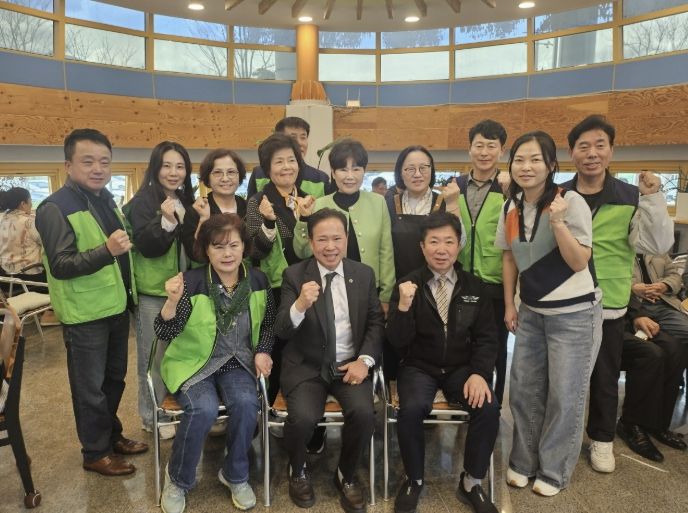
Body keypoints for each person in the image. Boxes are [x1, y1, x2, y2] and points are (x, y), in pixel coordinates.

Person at [561, 115, 674, 473]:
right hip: (564, 300)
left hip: (608, 302)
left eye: (600, 145)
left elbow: (656, 243)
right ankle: (559, 439)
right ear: (572, 153)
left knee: (605, 376)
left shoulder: (630, 196)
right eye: (583, 146)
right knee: (561, 377)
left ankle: (602, 439)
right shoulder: (559, 194)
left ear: (611, 151)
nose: (592, 153)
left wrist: (653, 197)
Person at [35, 128, 147, 476]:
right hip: (85, 315)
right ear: (68, 165)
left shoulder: (105, 200)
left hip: (115, 306)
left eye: (104, 162)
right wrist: (107, 251)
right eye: (88, 162)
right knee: (90, 389)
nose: (98, 169)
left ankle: (111, 436)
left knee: (114, 381)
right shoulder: (54, 208)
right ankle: (95, 452)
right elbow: (61, 264)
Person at [497, 131, 602, 496]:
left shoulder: (569, 201)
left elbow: (579, 261)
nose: (526, 167)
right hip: (531, 310)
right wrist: (509, 303)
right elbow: (509, 257)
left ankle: (554, 471)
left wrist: (558, 223)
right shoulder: (511, 207)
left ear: (551, 165)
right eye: (519, 160)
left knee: (565, 395)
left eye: (535, 159)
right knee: (523, 390)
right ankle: (523, 461)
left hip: (574, 315)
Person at [155, 214, 275, 513]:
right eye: (218, 246)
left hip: (238, 362)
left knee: (247, 404)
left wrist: (262, 350)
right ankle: (178, 479)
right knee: (203, 408)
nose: (227, 253)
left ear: (244, 246)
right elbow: (164, 332)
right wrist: (171, 301)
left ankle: (235, 474)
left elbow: (268, 323)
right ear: (205, 250)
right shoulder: (191, 282)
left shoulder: (258, 280)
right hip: (194, 363)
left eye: (234, 245)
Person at [386, 211, 499, 513]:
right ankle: (414, 479)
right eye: (434, 241)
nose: (441, 249)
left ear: (459, 245)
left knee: (488, 407)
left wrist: (479, 373)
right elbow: (396, 340)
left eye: (449, 241)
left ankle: (472, 482)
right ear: (422, 247)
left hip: (462, 368)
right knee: (411, 409)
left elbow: (487, 338)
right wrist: (403, 306)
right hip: (418, 366)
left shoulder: (475, 287)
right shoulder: (408, 284)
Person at [274, 208, 383, 513]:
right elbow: (281, 330)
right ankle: (298, 470)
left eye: (337, 238)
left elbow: (375, 323)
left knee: (364, 414)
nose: (330, 246)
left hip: (349, 364)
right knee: (302, 418)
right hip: (307, 366)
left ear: (346, 239)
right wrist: (299, 304)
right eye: (322, 239)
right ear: (311, 242)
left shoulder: (363, 274)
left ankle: (346, 474)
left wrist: (365, 360)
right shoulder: (294, 275)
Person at [123, 141, 198, 438]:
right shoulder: (142, 202)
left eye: (180, 166)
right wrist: (165, 221)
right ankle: (152, 415)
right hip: (154, 291)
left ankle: (173, 408)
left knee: (177, 352)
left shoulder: (186, 200)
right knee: (152, 355)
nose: (173, 172)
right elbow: (147, 246)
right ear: (155, 168)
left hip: (183, 288)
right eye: (167, 165)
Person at [245, 133, 313, 404]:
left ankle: (298, 407)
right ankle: (268, 409)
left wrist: (307, 219)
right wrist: (269, 222)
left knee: (304, 351)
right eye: (279, 162)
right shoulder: (258, 202)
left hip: (307, 287)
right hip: (274, 289)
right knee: (275, 351)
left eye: (291, 160)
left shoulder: (308, 199)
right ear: (267, 168)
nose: (287, 167)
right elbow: (255, 251)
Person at [448, 120, 511, 405]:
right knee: (459, 344)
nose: (484, 152)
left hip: (495, 282)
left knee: (495, 349)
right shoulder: (456, 186)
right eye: (479, 145)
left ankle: (491, 406)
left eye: (491, 146)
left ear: (502, 150)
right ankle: (463, 400)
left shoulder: (508, 187)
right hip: (459, 279)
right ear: (469, 148)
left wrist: (510, 302)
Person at [294, 139, 395, 313]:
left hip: (371, 289)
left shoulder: (378, 203)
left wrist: (386, 296)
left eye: (356, 169)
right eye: (343, 169)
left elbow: (386, 252)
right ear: (333, 173)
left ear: (364, 171)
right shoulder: (319, 204)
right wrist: (303, 219)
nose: (350, 176)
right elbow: (302, 252)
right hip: (330, 290)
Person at [616, 294, 687, 463]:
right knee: (652, 354)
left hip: (630, 316)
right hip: (608, 323)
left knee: (676, 349)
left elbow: (627, 293)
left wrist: (638, 315)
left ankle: (657, 423)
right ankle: (630, 424)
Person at [246, 117, 330, 199]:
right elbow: (250, 204)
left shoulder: (321, 179)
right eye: (293, 138)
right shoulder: (259, 174)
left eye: (303, 137)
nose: (299, 143)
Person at [632, 252, 688, 342]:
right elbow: (612, 284)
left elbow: (675, 276)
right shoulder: (618, 252)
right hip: (635, 306)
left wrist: (665, 285)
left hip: (665, 303)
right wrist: (632, 288)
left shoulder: (658, 250)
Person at [0, 187, 44, 281]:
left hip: (5, 278)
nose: (31, 204)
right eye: (30, 201)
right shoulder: (30, 222)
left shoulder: (2, 220)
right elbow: (47, 243)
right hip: (31, 277)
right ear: (23, 204)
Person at [195, 148, 248, 220]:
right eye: (217, 172)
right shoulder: (198, 209)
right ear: (207, 177)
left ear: (239, 176)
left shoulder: (250, 208)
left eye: (231, 172)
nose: (225, 179)